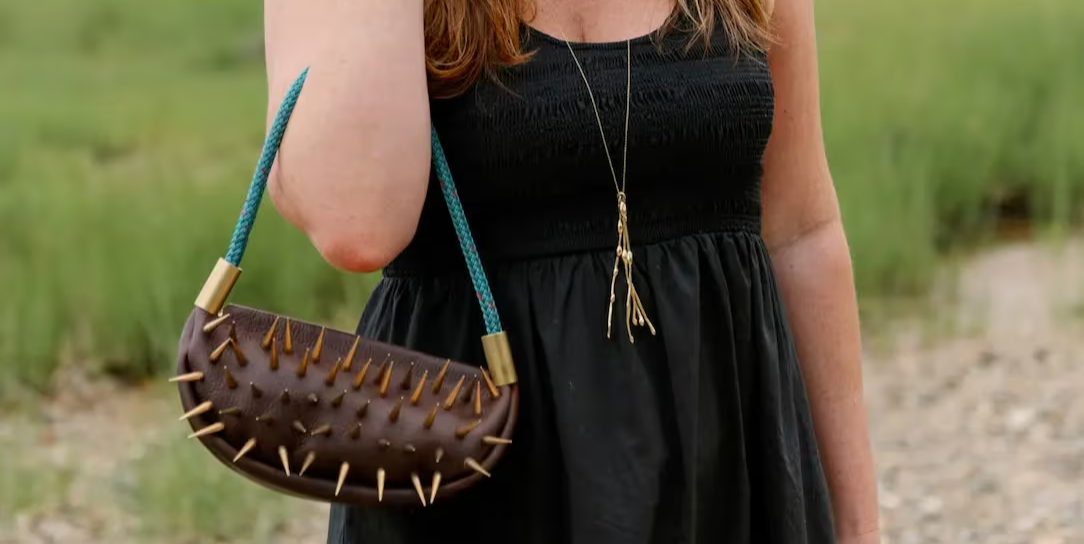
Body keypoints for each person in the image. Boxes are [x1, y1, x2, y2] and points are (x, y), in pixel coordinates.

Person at [263, 0, 880, 542]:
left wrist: (858, 528)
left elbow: (800, 230)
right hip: (478, 483)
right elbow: (358, 225)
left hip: (721, 468)